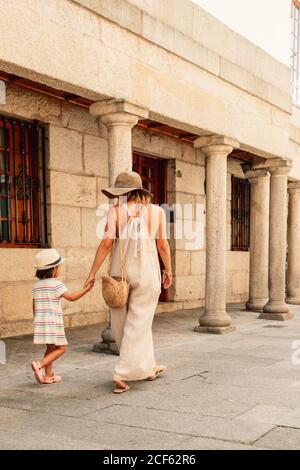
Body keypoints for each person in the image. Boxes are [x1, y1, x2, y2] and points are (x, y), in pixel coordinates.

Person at [85, 171, 173, 393]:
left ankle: (148, 366)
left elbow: (105, 245)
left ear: (122, 192)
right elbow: (162, 245)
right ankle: (123, 372)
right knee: (141, 323)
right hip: (148, 272)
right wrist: (168, 271)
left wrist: (92, 273)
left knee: (121, 323)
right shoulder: (157, 212)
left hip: (119, 274)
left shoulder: (115, 212)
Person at [31, 248, 93, 384]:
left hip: (41, 321)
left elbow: (34, 306)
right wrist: (86, 290)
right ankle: (39, 365)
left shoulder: (36, 286)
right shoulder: (56, 284)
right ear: (53, 269)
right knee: (61, 348)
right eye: (58, 267)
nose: (59, 270)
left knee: (50, 348)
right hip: (53, 322)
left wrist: (37, 321)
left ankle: (48, 376)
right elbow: (71, 297)